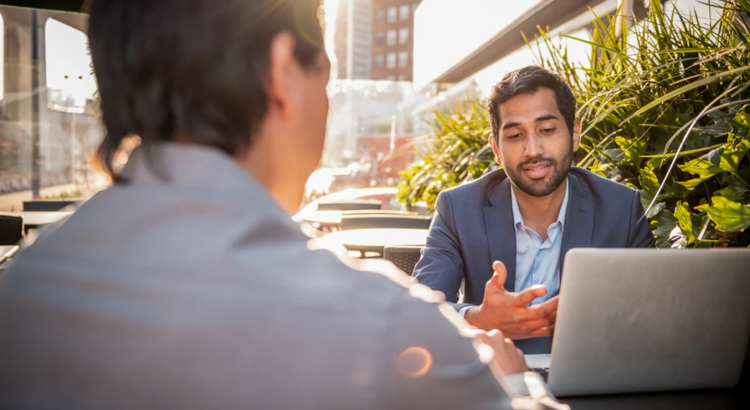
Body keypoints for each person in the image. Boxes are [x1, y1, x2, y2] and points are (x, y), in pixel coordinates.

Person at [0, 2, 563, 409]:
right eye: (326, 75)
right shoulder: (384, 329)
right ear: (280, 70)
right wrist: (514, 387)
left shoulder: (17, 290)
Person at [413, 66, 655, 354]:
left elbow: (650, 314)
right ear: (497, 150)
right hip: (496, 380)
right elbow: (420, 309)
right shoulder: (459, 208)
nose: (532, 150)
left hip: (590, 376)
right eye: (515, 135)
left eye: (547, 130)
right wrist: (478, 319)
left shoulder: (622, 209)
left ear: (574, 134)